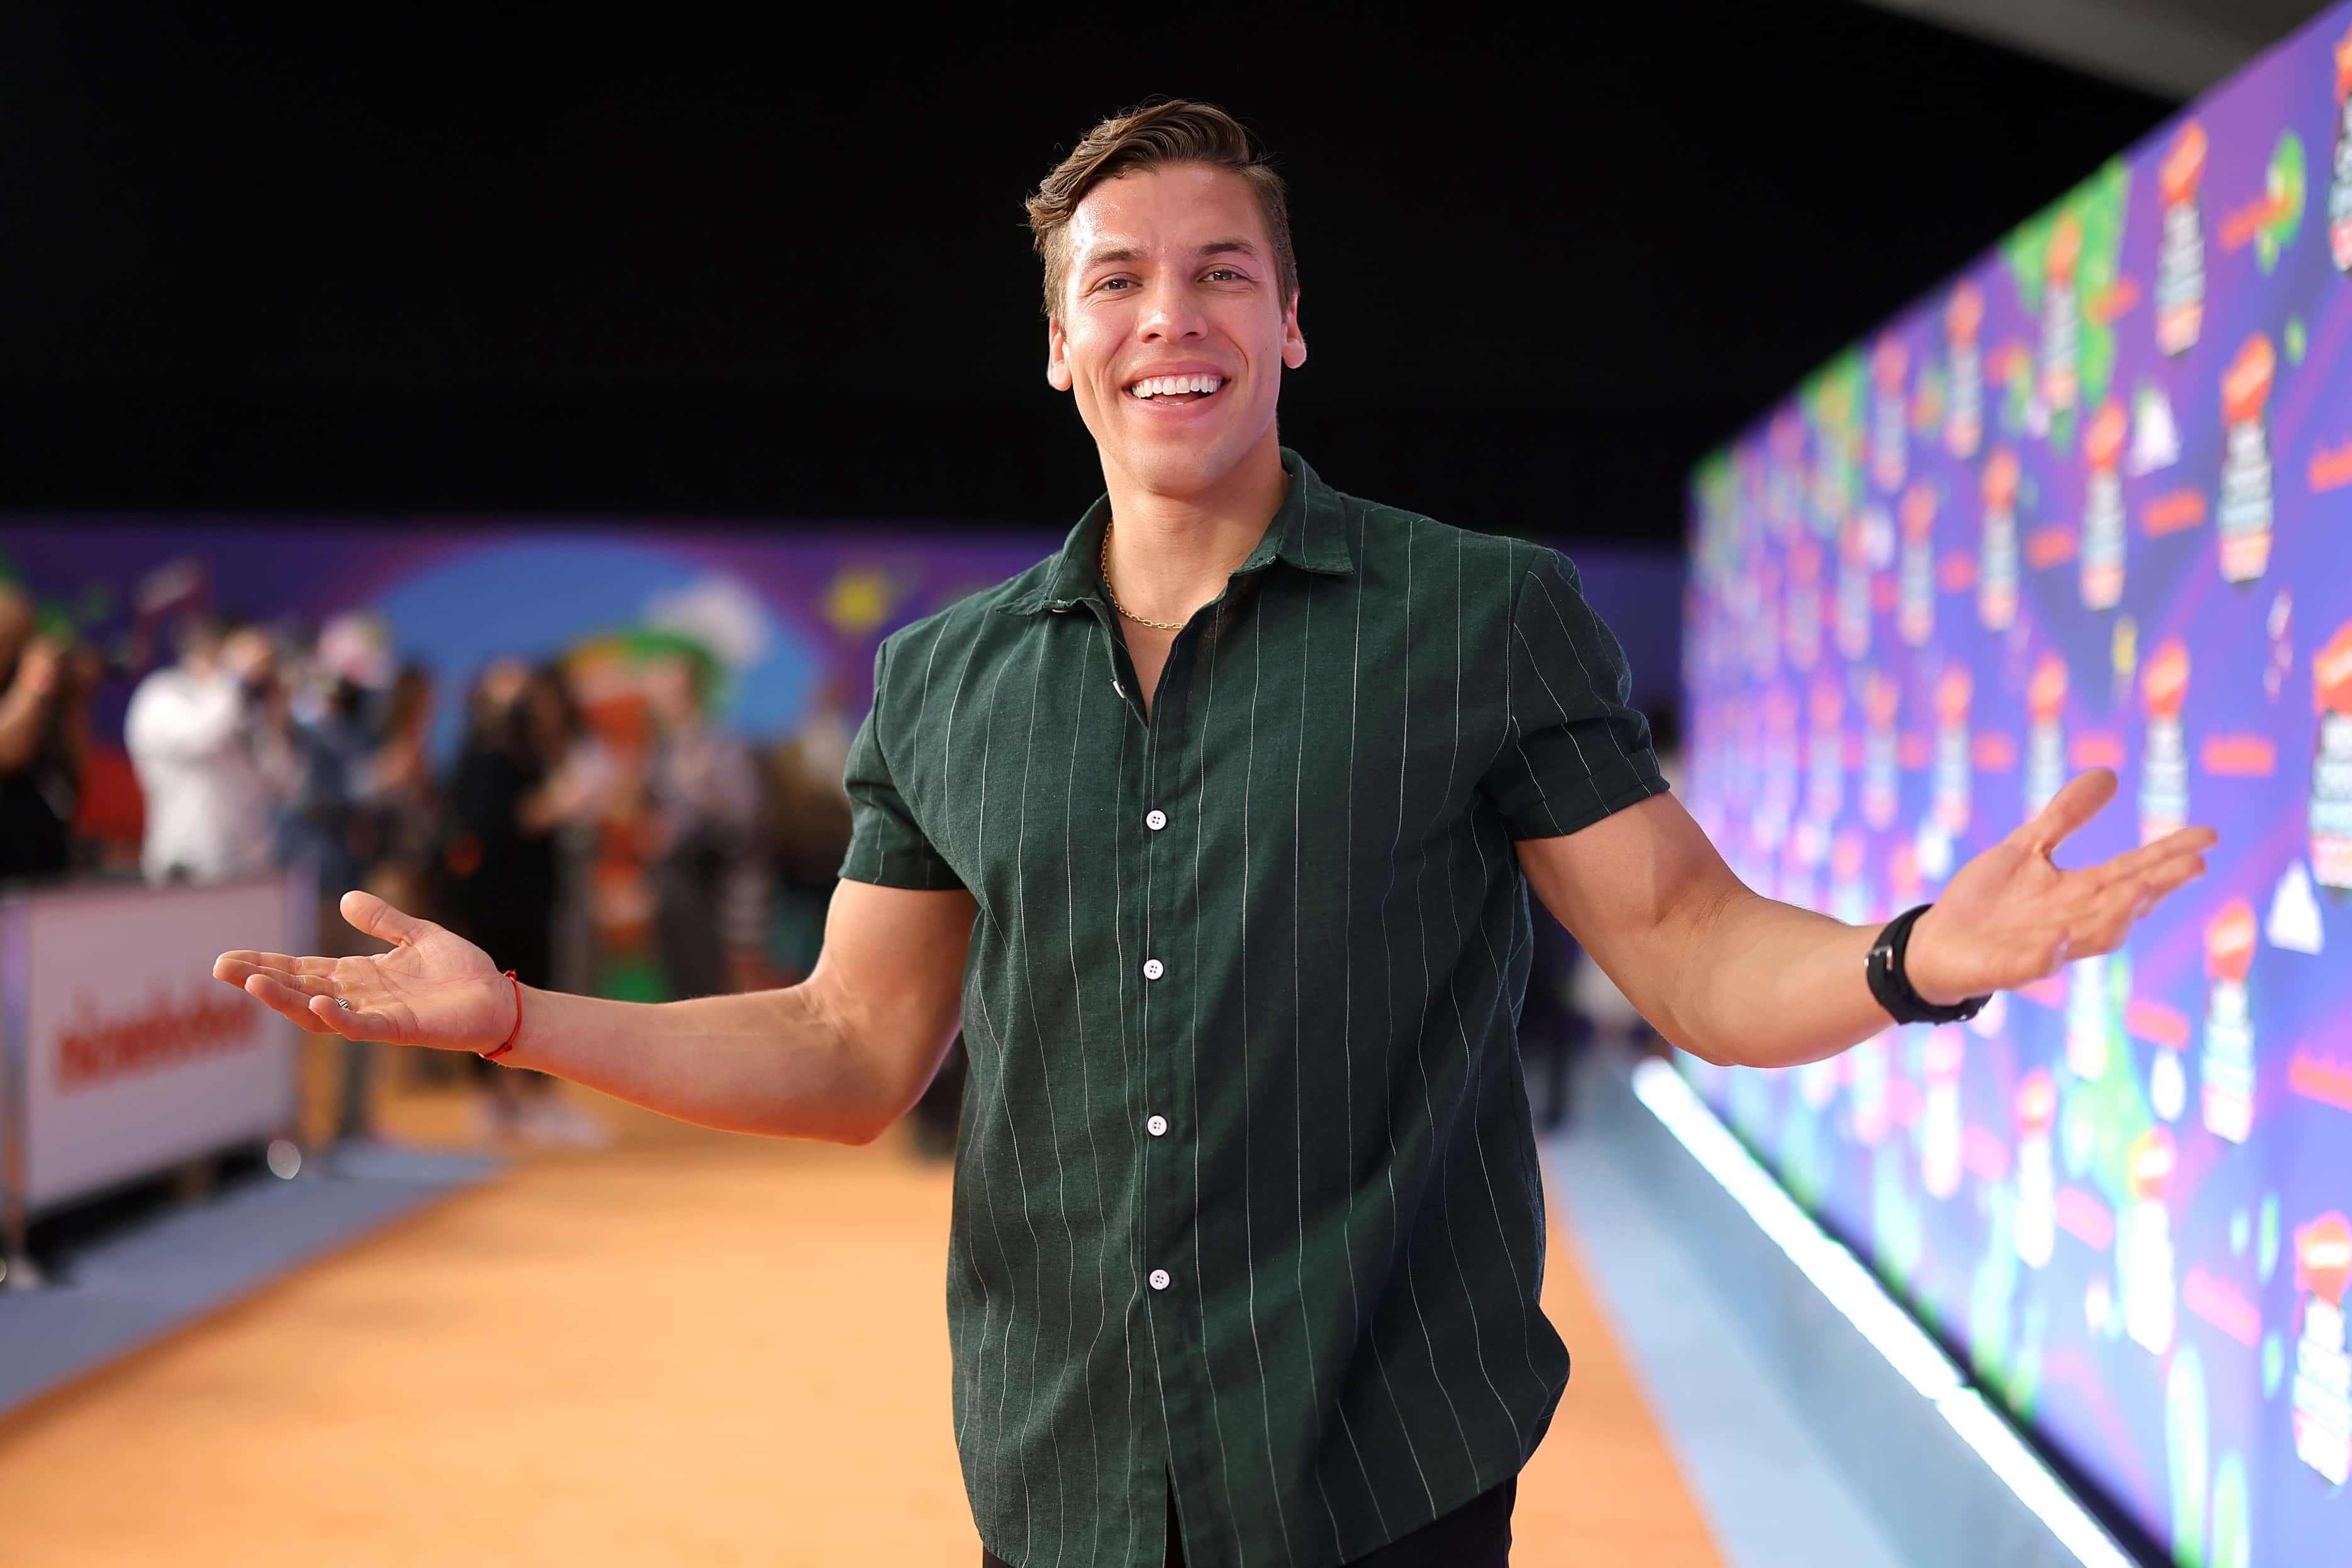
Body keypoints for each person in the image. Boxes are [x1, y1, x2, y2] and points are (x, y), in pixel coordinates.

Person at [215, 101, 2216, 1568]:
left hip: (1384, 1464)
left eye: (1220, 274)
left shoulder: (1476, 615)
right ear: (1062, 344)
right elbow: (847, 1054)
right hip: (1064, 1470)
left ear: (1287, 329)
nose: (1169, 314)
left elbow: (1690, 947)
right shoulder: (943, 684)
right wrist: (516, 1020)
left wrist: (1905, 962)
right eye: (1118, 282)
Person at [126, 614, 293, 884]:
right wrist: (234, 679)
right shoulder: (161, 695)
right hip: (189, 862)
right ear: (212, 651)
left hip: (252, 864)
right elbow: (201, 738)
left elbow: (284, 781)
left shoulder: (243, 703)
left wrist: (278, 718)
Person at [0, 583, 88, 883]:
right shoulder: (30, 686)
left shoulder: (28, 694)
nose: (13, 653)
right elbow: (8, 750)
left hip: (45, 870)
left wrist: (74, 701)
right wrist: (36, 677)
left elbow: (74, 778)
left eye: (20, 642)